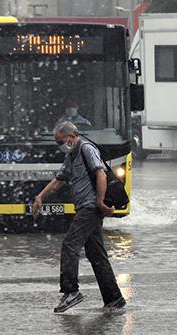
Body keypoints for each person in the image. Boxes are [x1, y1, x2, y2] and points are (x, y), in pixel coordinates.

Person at [32, 121, 126, 313]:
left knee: (69, 245)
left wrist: (100, 202)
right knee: (96, 255)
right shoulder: (71, 155)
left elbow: (101, 175)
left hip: (90, 207)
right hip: (86, 207)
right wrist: (40, 197)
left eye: (61, 141)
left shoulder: (87, 149)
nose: (60, 145)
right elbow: (59, 180)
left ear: (72, 137)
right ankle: (114, 299)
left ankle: (71, 291)